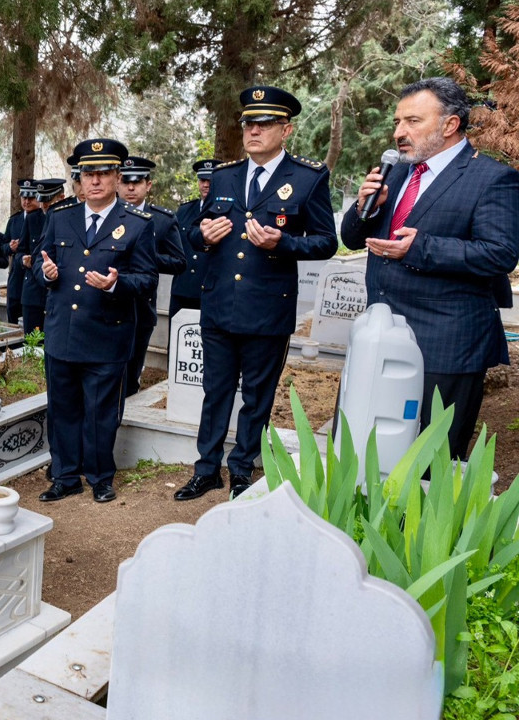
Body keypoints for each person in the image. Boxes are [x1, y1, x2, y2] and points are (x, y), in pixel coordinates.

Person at [340, 77, 519, 459]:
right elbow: (352, 239)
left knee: (427, 463)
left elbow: (500, 253)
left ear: (450, 124)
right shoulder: (396, 173)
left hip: (445, 346)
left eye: (412, 121)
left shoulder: (492, 179)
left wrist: (420, 248)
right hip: (378, 333)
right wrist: (363, 207)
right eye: (397, 122)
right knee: (364, 454)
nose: (398, 133)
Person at [175, 86, 338, 502]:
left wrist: (283, 243)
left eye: (264, 124)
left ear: (286, 130)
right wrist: (203, 236)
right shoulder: (224, 175)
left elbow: (326, 241)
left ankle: (242, 469)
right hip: (219, 305)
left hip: (268, 309)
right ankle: (206, 470)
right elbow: (196, 232)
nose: (253, 130)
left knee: (256, 397)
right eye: (249, 123)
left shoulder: (308, 177)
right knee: (215, 392)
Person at [35, 138, 158, 503]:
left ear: (117, 177)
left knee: (101, 414)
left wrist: (116, 283)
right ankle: (65, 476)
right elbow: (40, 265)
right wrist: (46, 274)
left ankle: (100, 477)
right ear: (80, 179)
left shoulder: (136, 224)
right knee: (62, 410)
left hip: (107, 337)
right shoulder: (60, 218)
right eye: (88, 173)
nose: (95, 180)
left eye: (103, 173)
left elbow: (148, 279)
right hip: (63, 334)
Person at [118, 155, 187, 397]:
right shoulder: (105, 215)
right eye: (125, 182)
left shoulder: (162, 220)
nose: (130, 188)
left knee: (130, 372)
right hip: (103, 304)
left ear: (148, 185)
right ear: (117, 183)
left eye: (136, 182)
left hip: (140, 307)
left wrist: (145, 256)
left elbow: (179, 262)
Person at [169, 159, 218, 315]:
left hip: (211, 292)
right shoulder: (184, 210)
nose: (206, 185)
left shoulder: (226, 211)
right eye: (203, 180)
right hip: (182, 290)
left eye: (211, 181)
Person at [4, 180, 45, 325]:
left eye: (31, 198)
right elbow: (3, 245)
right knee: (13, 316)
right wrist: (10, 247)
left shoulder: (45, 218)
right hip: (17, 276)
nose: (27, 202)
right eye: (24, 198)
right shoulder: (14, 220)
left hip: (35, 278)